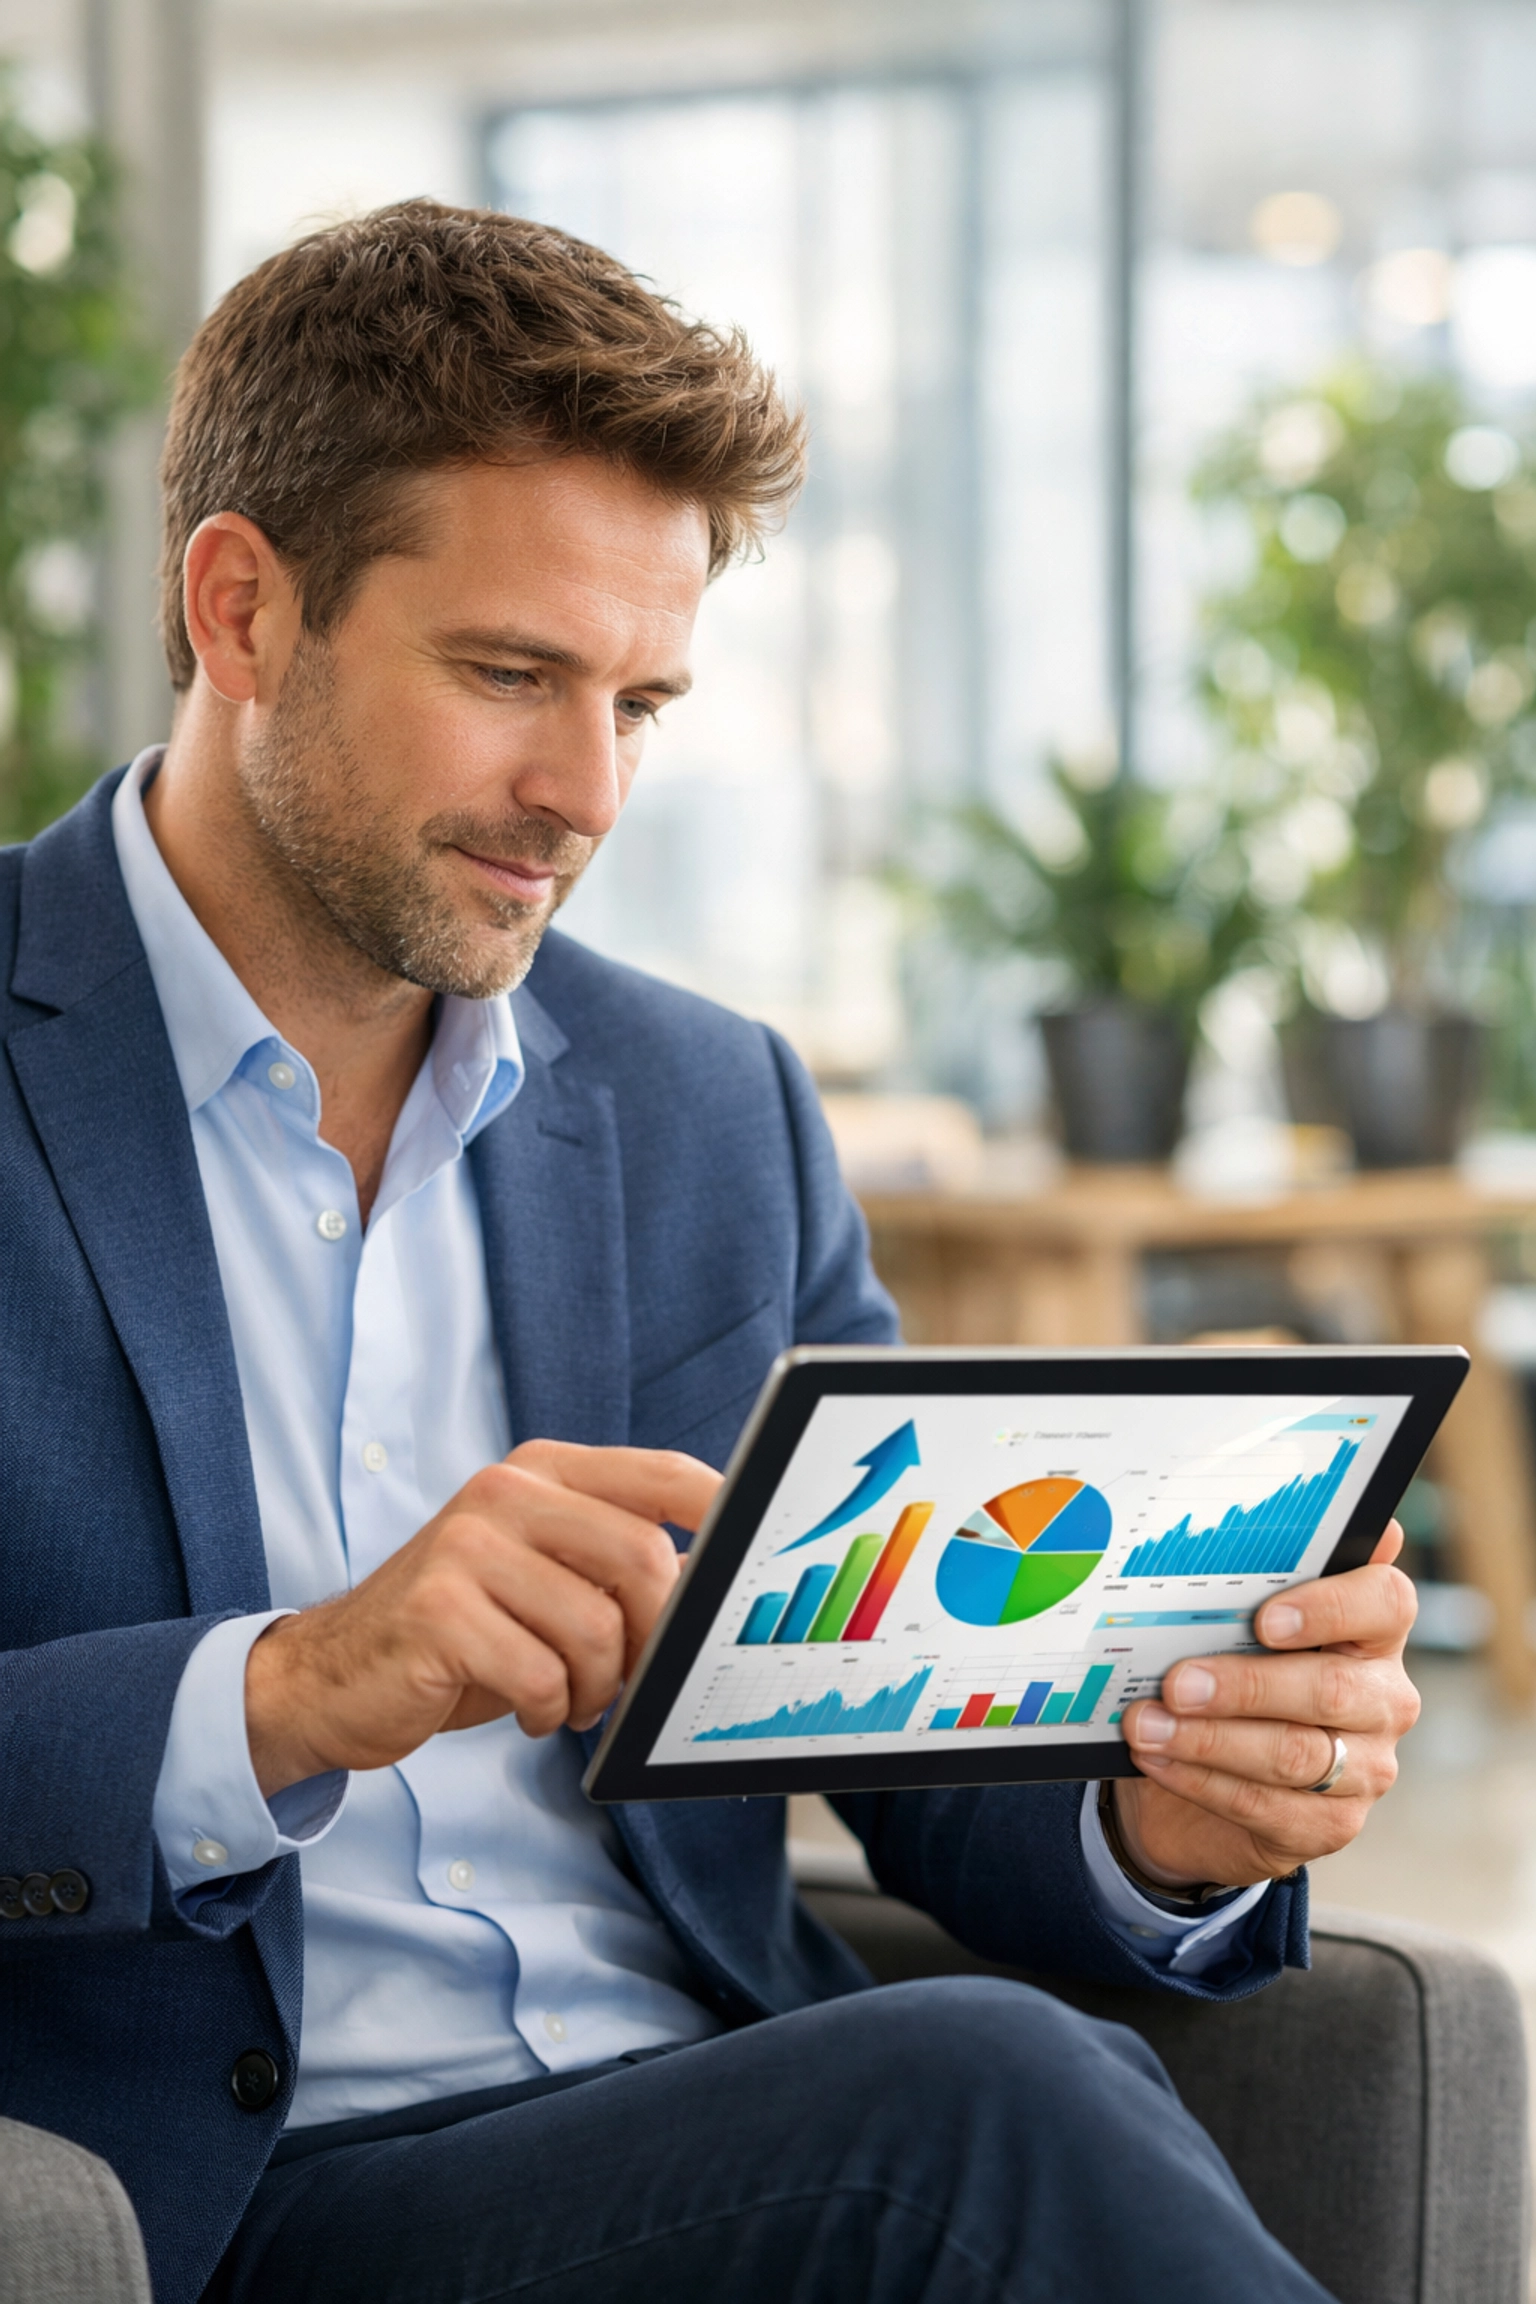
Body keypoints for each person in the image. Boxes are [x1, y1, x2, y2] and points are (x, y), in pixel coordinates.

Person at [0, 201, 1418, 2304]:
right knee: (979, 2098)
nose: (583, 792)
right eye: (510, 675)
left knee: (972, 2090)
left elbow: (897, 1729)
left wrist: (1166, 1817)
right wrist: (285, 1691)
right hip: (214, 2205)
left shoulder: (702, 1104)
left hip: (698, 2136)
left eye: (641, 702)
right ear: (243, 610)